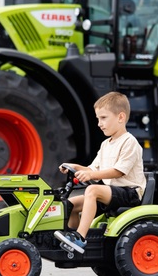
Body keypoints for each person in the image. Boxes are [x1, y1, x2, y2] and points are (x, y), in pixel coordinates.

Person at [54, 91, 147, 254]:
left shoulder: (129, 141)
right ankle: (70, 240)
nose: (99, 123)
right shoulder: (106, 144)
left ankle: (80, 238)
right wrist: (73, 166)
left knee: (92, 190)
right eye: (98, 119)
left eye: (103, 118)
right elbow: (92, 169)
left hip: (129, 193)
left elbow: (118, 171)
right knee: (71, 203)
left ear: (120, 117)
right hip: (112, 193)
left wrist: (91, 176)